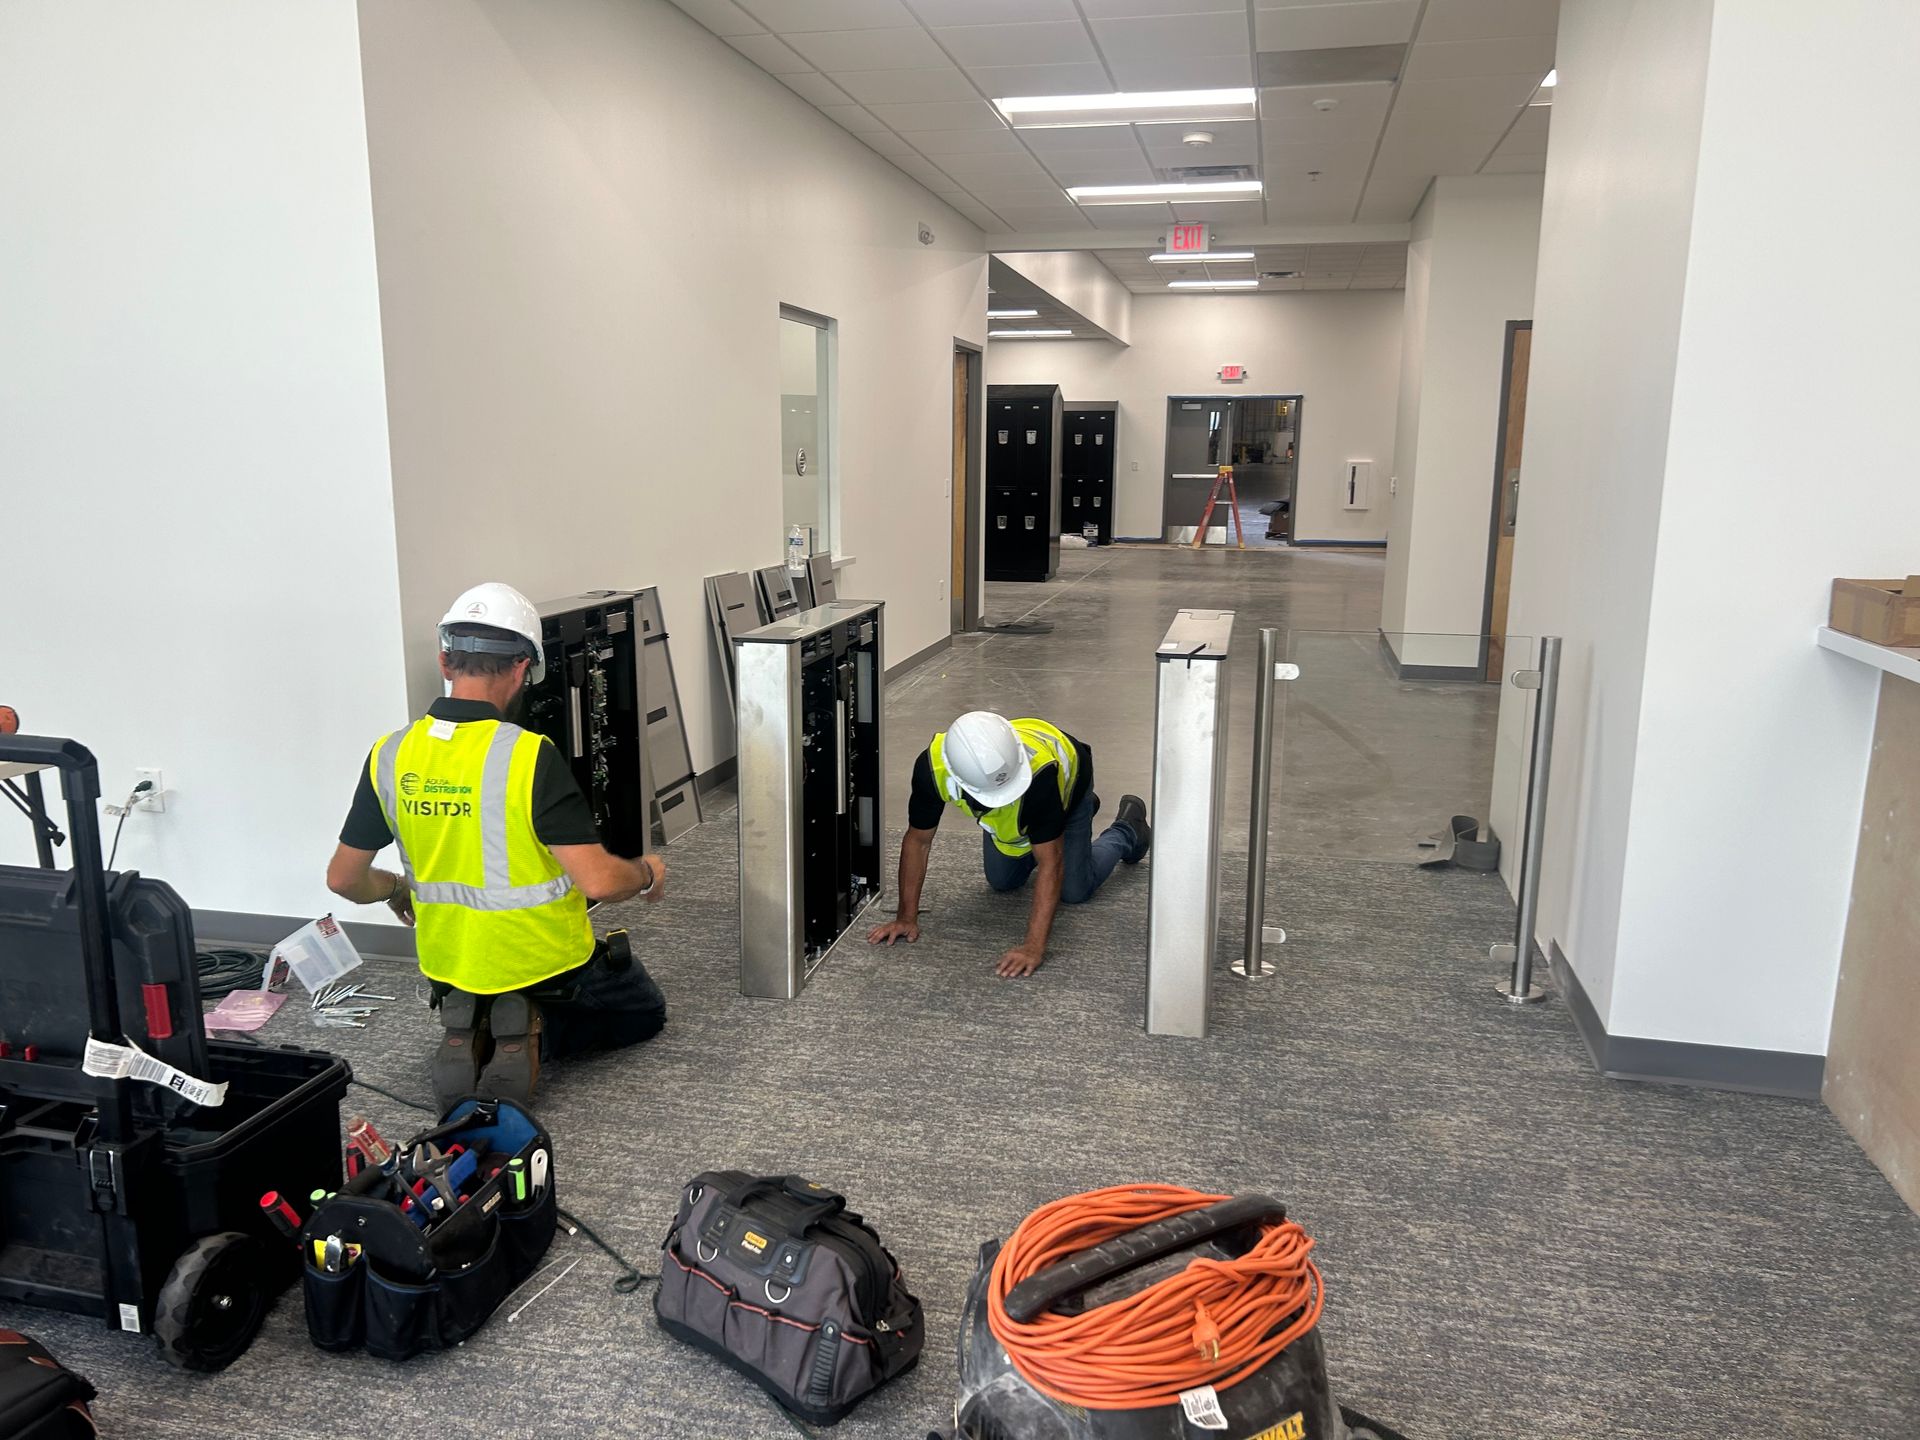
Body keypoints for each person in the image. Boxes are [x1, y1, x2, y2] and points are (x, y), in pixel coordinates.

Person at [327, 581, 668, 1107]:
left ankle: (476, 1014)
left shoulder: (390, 755)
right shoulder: (529, 756)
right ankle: (535, 1024)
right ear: (522, 667)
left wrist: (396, 888)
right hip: (545, 960)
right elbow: (599, 881)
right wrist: (646, 873)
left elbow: (343, 879)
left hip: (449, 962)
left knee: (482, 983)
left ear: (445, 661)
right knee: (643, 1011)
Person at [867, 712, 1151, 978]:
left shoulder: (1041, 777)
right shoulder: (933, 768)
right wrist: (905, 917)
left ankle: (1126, 830)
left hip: (1069, 780)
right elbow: (918, 841)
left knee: (1074, 890)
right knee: (1002, 881)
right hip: (1030, 803)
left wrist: (1033, 947)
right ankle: (1052, 824)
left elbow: (1051, 863)